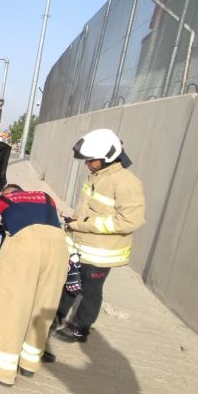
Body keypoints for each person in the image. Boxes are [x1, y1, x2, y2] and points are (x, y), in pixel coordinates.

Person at [0, 184, 69, 386]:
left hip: (26, 248)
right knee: (43, 304)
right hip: (58, 247)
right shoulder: (46, 197)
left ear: (6, 192)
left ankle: (0, 369)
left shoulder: (3, 200)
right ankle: (29, 364)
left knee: (11, 305)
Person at [55, 128, 145, 342]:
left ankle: (80, 328)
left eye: (90, 160)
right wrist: (73, 222)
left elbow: (130, 221)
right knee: (69, 283)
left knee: (89, 291)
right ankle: (56, 318)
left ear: (107, 158)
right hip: (81, 247)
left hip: (100, 253)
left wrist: (83, 225)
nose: (87, 163)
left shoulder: (126, 183)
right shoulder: (97, 176)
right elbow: (90, 209)